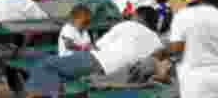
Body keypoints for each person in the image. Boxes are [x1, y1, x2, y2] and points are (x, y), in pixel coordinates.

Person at [23, 7, 165, 98]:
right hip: (118, 77)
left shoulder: (128, 25)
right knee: (60, 77)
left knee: (45, 64)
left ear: (138, 17)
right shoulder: (158, 42)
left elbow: (96, 47)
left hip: (97, 62)